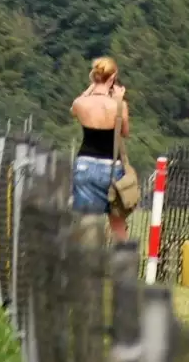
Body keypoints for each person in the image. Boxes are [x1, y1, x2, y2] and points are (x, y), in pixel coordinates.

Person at [71, 56, 129, 241]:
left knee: (87, 224)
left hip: (85, 164)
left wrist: (91, 88)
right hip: (111, 166)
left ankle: (88, 258)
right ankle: (122, 257)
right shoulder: (119, 106)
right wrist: (118, 100)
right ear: (112, 78)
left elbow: (74, 109)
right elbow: (124, 132)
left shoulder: (80, 103)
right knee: (117, 223)